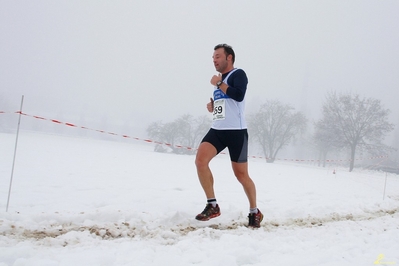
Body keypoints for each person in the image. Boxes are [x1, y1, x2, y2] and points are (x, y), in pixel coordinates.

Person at [194, 44, 263, 228]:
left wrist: (218, 83)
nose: (214, 60)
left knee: (241, 176)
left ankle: (254, 211)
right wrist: (213, 106)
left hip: (236, 133)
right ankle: (212, 205)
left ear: (229, 58)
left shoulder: (238, 74)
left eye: (217, 56)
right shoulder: (220, 80)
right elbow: (225, 103)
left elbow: (238, 96)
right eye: (213, 57)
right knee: (200, 161)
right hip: (217, 130)